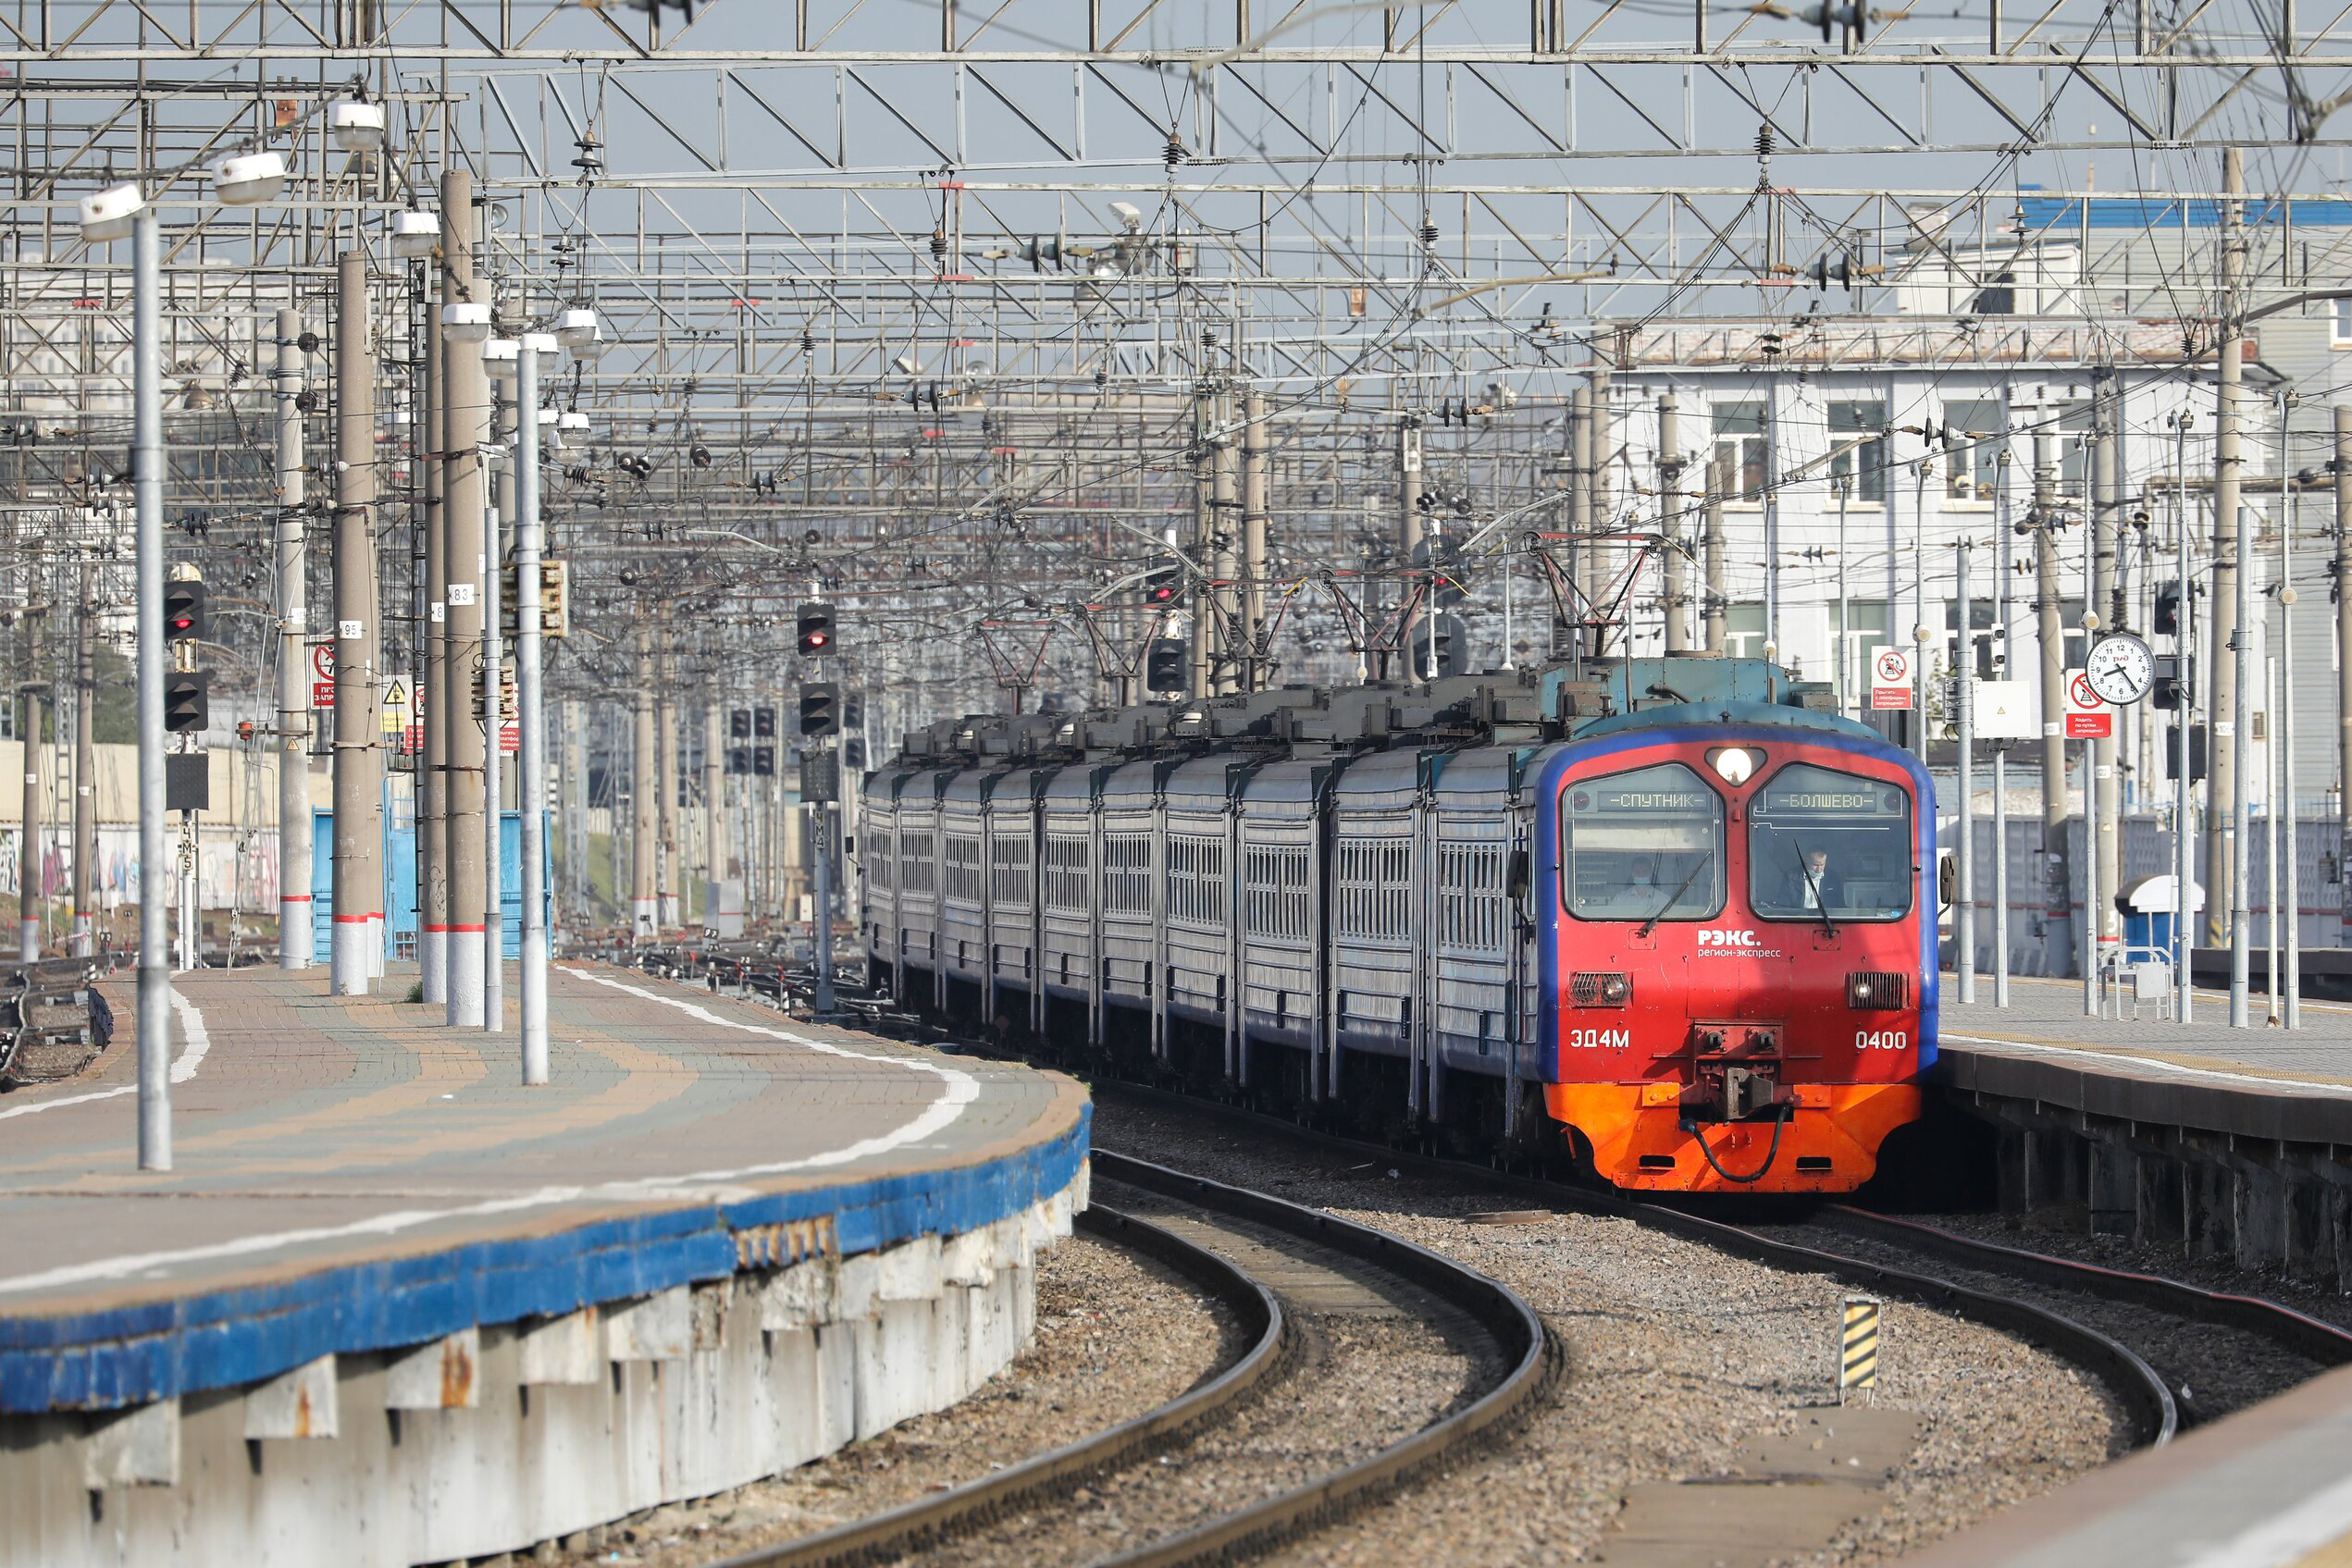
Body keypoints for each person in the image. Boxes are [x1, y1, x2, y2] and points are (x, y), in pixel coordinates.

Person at [1782, 846, 1846, 914]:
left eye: (1822, 864)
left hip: (1825, 920)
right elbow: (1784, 903)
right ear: (1806, 860)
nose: (1819, 869)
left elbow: (1839, 904)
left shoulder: (1832, 878)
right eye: (1815, 865)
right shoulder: (1792, 877)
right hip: (1798, 919)